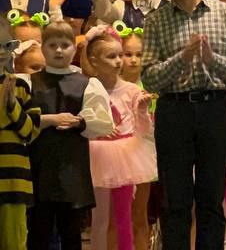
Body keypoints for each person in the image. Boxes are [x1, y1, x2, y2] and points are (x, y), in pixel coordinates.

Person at [141, 0, 226, 250]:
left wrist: (212, 60)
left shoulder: (225, 12)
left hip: (215, 108)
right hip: (173, 111)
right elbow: (149, 78)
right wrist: (183, 57)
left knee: (211, 200)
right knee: (174, 202)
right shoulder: (155, 21)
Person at [27, 19, 114, 250]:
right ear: (43, 47)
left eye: (65, 45)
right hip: (39, 169)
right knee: (38, 232)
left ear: (74, 49)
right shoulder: (29, 83)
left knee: (71, 233)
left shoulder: (87, 84)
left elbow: (105, 123)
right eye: (52, 45)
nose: (58, 50)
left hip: (72, 170)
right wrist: (49, 120)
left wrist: (80, 121)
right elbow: (20, 120)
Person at [86, 25, 156, 250]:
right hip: (96, 155)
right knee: (99, 219)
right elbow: (83, 122)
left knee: (124, 216)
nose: (118, 61)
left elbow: (144, 130)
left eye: (119, 55)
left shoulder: (132, 90)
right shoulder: (87, 88)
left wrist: (142, 111)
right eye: (112, 56)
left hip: (125, 157)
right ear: (94, 60)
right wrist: (97, 129)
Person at [0, 66, 40, 249]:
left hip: (14, 180)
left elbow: (31, 132)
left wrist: (12, 105)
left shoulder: (20, 85)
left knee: (14, 242)